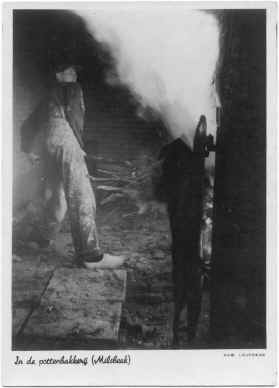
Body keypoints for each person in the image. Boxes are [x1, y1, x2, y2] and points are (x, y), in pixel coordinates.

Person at [21, 63, 124, 269]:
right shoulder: (72, 89)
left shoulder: (49, 96)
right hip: (65, 137)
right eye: (69, 72)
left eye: (75, 71)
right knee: (81, 192)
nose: (74, 74)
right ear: (59, 75)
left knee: (56, 192)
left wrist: (28, 149)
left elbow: (28, 124)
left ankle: (40, 238)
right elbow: (75, 118)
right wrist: (78, 145)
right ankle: (90, 256)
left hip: (48, 142)